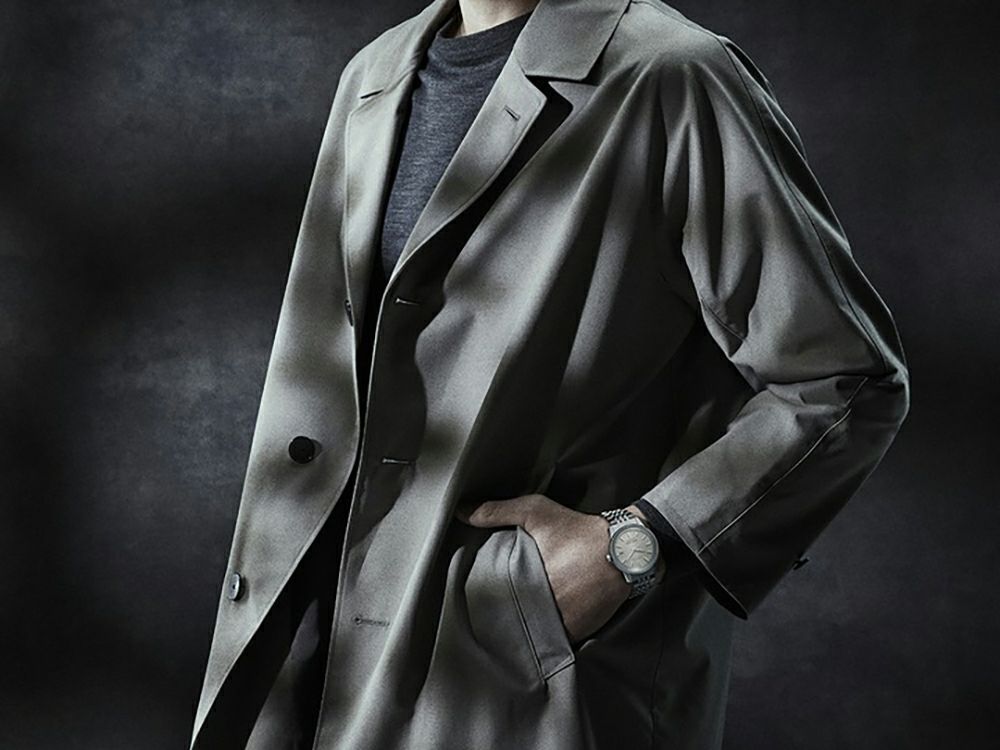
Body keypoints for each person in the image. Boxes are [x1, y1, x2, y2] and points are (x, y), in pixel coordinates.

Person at [190, 0, 911, 748]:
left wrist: (637, 545)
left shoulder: (671, 75)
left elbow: (844, 380)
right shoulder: (375, 75)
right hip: (321, 672)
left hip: (529, 683)